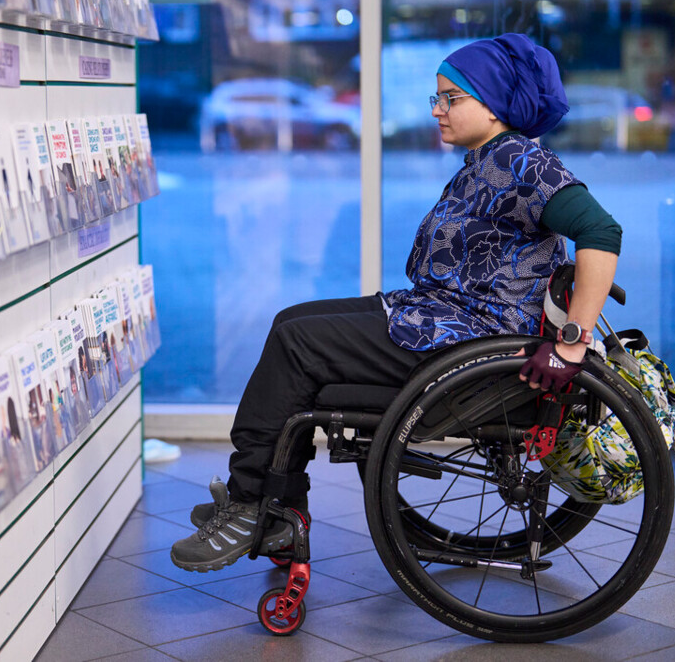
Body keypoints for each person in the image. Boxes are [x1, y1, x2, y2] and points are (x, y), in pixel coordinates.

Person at [170, 33, 624, 572]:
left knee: (298, 343)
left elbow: (600, 229)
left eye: (451, 98)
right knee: (291, 322)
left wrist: (572, 340)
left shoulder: (525, 162)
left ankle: (251, 506)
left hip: (470, 341)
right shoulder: (484, 161)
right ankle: (275, 504)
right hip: (439, 319)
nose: (438, 111)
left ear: (495, 104)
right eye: (437, 98)